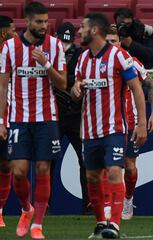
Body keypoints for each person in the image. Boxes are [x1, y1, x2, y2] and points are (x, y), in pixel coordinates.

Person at [71, 12, 147, 239]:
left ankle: (113, 225)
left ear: (94, 30)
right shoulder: (83, 58)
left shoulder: (119, 56)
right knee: (93, 177)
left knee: (115, 172)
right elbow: (78, 88)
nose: (79, 31)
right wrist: (76, 89)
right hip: (89, 129)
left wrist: (142, 123)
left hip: (114, 128)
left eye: (83, 27)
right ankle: (100, 223)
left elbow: (136, 88)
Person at [0, 2, 67, 239]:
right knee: (18, 171)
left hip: (46, 118)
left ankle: (37, 224)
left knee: (42, 168)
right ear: (27, 22)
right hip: (18, 118)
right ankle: (26, 209)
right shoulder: (9, 47)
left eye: (46, 21)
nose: (43, 26)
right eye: (38, 22)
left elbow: (62, 84)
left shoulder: (55, 46)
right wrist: (1, 119)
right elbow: (3, 83)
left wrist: (46, 64)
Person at [105, 26, 153, 220]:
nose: (110, 45)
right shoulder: (98, 62)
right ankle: (109, 204)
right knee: (110, 166)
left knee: (129, 165)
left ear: (119, 43)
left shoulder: (131, 62)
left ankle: (128, 198)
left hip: (131, 122)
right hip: (109, 122)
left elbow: (150, 84)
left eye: (113, 41)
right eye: (107, 41)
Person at [53, 22, 89, 214]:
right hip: (54, 116)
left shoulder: (81, 56)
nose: (64, 46)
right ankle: (46, 205)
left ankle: (89, 205)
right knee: (47, 161)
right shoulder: (48, 53)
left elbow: (80, 80)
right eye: (62, 42)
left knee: (85, 160)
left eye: (67, 43)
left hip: (76, 115)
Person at [0, 15, 16, 228]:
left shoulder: (13, 52)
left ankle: (0, 211)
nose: (15, 32)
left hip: (8, 116)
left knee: (6, 165)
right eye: (12, 29)